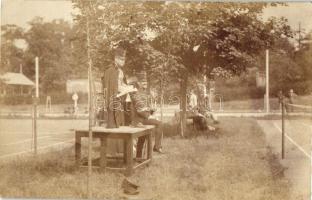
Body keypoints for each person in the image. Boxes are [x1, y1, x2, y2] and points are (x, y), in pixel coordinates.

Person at [128, 80, 163, 156]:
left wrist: (151, 110)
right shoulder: (135, 94)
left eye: (146, 83)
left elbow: (144, 107)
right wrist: (149, 115)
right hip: (138, 120)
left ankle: (139, 156)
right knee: (159, 123)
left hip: (142, 118)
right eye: (143, 83)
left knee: (143, 137)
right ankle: (157, 146)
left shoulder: (144, 93)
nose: (145, 85)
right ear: (139, 84)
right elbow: (140, 110)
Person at [103, 45, 129, 128]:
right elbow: (106, 87)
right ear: (115, 59)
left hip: (120, 99)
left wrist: (128, 88)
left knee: (120, 123)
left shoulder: (121, 71)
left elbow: (121, 83)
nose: (123, 61)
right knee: (112, 125)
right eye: (121, 59)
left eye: (124, 59)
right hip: (112, 100)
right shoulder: (109, 70)